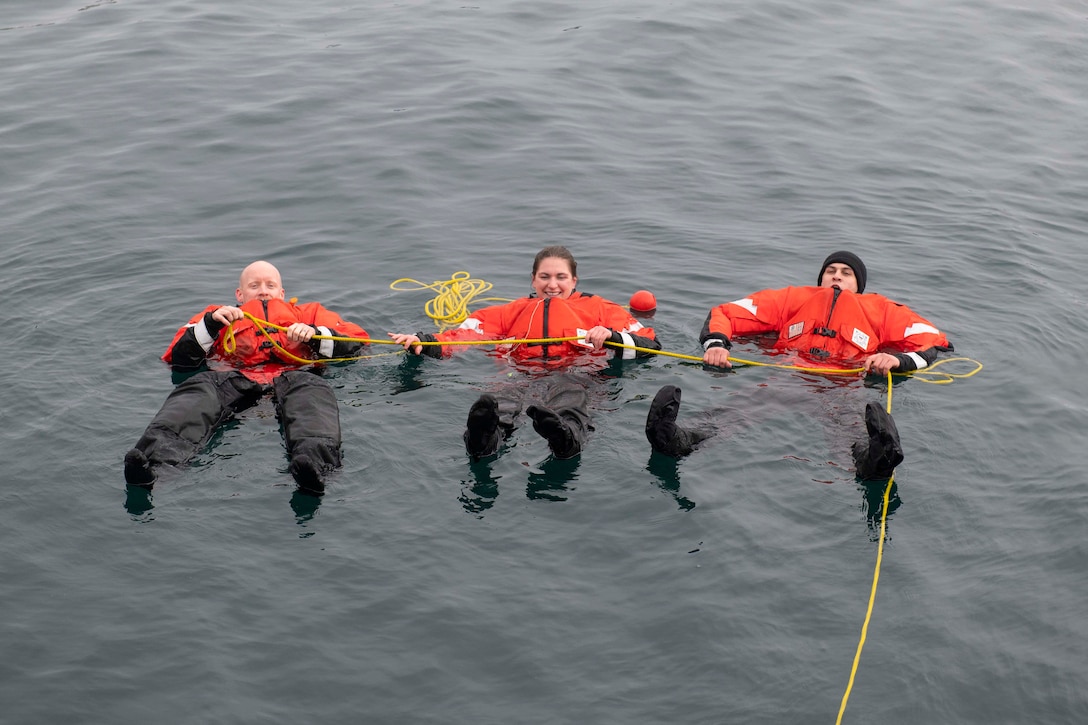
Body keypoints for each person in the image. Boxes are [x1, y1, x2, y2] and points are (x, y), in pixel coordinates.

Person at [645, 251, 953, 479]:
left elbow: (931, 339)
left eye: (846, 272)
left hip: (841, 386)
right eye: (830, 270)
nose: (837, 276)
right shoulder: (792, 298)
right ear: (820, 278)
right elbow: (728, 312)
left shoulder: (882, 310)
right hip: (789, 377)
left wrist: (897, 360)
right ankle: (677, 439)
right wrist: (717, 344)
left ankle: (875, 459)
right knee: (737, 410)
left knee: (848, 431)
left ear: (859, 284)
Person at [390, 246, 661, 461]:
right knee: (502, 401)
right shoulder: (511, 311)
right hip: (520, 373)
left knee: (570, 396)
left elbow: (651, 344)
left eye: (560, 277)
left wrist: (612, 337)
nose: (552, 285)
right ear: (533, 279)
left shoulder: (601, 309)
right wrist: (423, 342)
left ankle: (565, 438)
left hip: (576, 373)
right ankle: (484, 440)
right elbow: (464, 336)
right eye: (544, 277)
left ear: (574, 280)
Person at [123, 260, 369, 494]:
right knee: (198, 389)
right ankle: (154, 466)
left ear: (281, 292)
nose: (263, 291)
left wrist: (316, 334)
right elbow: (177, 357)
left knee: (313, 392)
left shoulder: (310, 314)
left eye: (270, 285)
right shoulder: (218, 316)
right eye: (254, 286)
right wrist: (209, 325)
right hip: (232, 381)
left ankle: (315, 468)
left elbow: (357, 341)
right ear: (239, 294)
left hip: (297, 378)